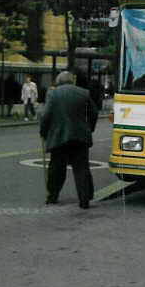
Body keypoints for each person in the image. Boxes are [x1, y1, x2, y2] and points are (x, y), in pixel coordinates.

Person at [39, 71, 99, 209]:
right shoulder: (84, 93)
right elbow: (94, 113)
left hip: (59, 137)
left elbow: (46, 115)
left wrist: (43, 131)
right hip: (80, 137)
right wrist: (90, 128)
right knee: (81, 168)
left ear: (58, 81)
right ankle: (84, 200)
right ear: (72, 81)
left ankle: (53, 196)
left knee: (57, 168)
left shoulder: (53, 94)